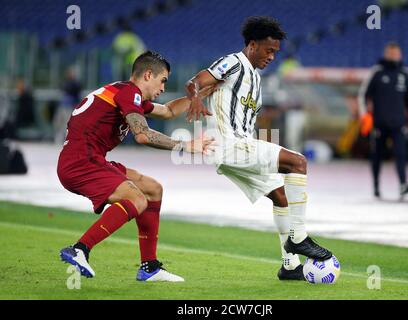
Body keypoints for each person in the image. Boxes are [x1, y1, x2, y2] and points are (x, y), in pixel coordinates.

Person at [185, 16, 332, 281]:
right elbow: (194, 81)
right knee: (298, 162)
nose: (272, 56)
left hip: (236, 148)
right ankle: (299, 238)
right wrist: (195, 98)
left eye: (276, 52)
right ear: (252, 45)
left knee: (281, 197)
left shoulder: (255, 78)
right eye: (269, 50)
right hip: (231, 146)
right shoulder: (233, 62)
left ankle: (289, 266)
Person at [58, 50, 214, 282]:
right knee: (136, 199)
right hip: (82, 162)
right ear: (148, 74)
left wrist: (198, 96)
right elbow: (142, 135)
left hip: (88, 159)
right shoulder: (129, 93)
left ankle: (150, 267)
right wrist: (185, 146)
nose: (163, 88)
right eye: (163, 81)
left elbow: (169, 111)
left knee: (152, 189)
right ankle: (80, 249)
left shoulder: (125, 93)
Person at [358, 42, 408, 199]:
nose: (393, 56)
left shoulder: (405, 74)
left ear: (400, 55)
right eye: (390, 53)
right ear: (386, 54)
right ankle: (376, 185)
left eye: (396, 53)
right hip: (379, 123)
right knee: (377, 155)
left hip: (399, 123)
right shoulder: (377, 72)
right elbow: (363, 95)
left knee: (401, 153)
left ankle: (403, 184)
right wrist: (365, 115)